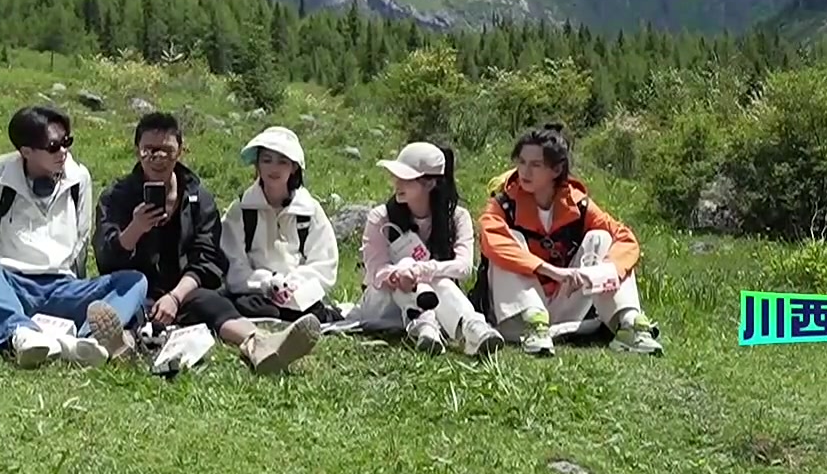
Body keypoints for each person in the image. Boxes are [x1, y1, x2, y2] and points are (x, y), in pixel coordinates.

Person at [94, 111, 323, 375]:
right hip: (135, 285)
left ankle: (260, 344)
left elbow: (207, 257)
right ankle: (123, 346)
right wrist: (134, 229)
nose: (157, 158)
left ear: (180, 150)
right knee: (129, 301)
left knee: (213, 303)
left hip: (185, 289)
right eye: (149, 151)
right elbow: (105, 257)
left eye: (166, 150)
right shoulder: (117, 196)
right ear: (137, 151)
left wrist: (175, 298)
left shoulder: (198, 197)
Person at [0, 105, 148, 368]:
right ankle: (21, 334)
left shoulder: (79, 178)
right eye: (53, 146)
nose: (63, 151)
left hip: (61, 285)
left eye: (67, 141)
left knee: (134, 281)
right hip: (11, 283)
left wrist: (81, 288)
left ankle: (89, 341)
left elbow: (81, 240)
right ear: (26, 151)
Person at [475, 124, 662, 357]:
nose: (525, 172)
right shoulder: (503, 204)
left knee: (602, 238)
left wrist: (599, 273)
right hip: (515, 316)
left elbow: (625, 239)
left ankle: (629, 324)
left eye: (536, 165)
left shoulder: (578, 204)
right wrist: (552, 271)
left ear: (556, 169)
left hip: (568, 302)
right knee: (510, 239)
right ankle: (534, 324)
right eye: (522, 162)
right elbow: (492, 240)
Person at [342, 141, 504, 357]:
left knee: (437, 278)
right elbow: (375, 273)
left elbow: (464, 267)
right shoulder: (381, 217)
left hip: (436, 300)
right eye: (396, 177)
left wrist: (422, 271)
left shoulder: (457, 218)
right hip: (383, 305)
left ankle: (468, 328)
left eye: (406, 179)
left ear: (429, 184)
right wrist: (401, 273)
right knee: (407, 266)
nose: (396, 183)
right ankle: (433, 324)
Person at [219, 126, 341, 323]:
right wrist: (267, 284)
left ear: (293, 167)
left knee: (307, 311)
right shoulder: (241, 209)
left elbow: (324, 262)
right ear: (257, 164)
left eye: (282, 162)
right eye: (267, 160)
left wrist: (292, 285)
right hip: (255, 293)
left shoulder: (310, 211)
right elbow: (233, 263)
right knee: (255, 309)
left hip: (298, 293)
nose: (273, 168)